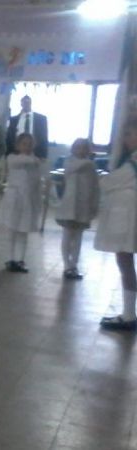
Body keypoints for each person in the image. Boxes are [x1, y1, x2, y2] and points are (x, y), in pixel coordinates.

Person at [96, 121, 137, 331]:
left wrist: (104, 177)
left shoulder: (132, 164)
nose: (125, 139)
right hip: (128, 217)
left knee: (125, 262)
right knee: (126, 262)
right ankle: (129, 312)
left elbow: (108, 183)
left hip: (129, 219)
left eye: (129, 134)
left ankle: (129, 314)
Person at [0, 133, 42, 274]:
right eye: (24, 144)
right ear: (18, 145)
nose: (27, 147)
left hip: (28, 200)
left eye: (30, 144)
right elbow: (21, 162)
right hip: (14, 199)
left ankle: (20, 259)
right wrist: (34, 160)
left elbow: (37, 181)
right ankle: (10, 259)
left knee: (23, 231)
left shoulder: (35, 161)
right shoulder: (12, 158)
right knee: (12, 230)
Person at [56, 138, 99, 281]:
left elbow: (94, 187)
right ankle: (67, 265)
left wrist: (94, 205)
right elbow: (70, 171)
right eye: (78, 147)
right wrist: (88, 162)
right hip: (69, 206)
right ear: (73, 149)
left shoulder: (91, 166)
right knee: (67, 235)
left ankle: (74, 264)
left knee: (78, 237)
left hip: (83, 206)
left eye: (84, 148)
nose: (81, 150)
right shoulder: (69, 163)